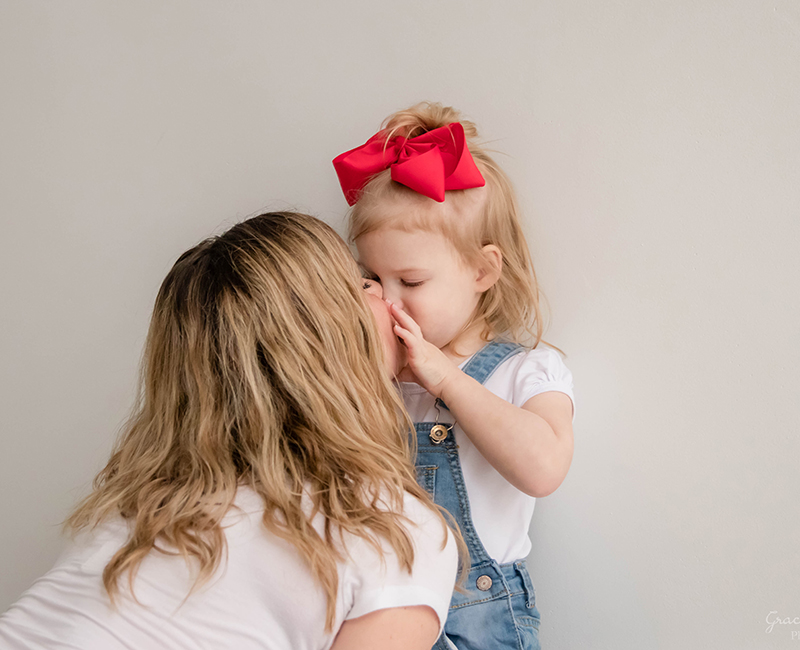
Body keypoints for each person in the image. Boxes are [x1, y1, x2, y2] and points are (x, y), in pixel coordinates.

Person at [0, 211, 462, 650]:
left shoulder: (140, 508)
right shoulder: (397, 536)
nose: (388, 296)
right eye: (364, 283)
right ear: (330, 340)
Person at [333, 103, 575, 650]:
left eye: (411, 281)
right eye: (372, 279)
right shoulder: (379, 376)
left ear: (482, 271)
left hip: (480, 617)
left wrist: (447, 381)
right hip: (383, 609)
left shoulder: (525, 369)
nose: (389, 302)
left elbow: (543, 468)